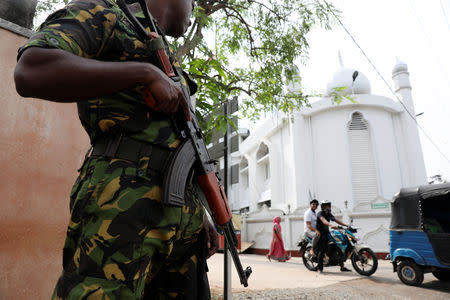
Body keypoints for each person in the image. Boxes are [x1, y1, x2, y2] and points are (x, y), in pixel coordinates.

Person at [14, 0, 218, 299]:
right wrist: (143, 74)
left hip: (179, 218)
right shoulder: (107, 14)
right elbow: (31, 69)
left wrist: (198, 210)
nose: (194, 11)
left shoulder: (163, 50)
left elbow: (175, 141)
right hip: (123, 207)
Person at [316, 201, 351, 273]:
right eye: (326, 206)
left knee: (339, 247)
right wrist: (330, 225)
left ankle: (342, 267)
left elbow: (336, 220)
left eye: (328, 206)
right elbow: (324, 220)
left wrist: (346, 225)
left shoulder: (329, 214)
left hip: (327, 233)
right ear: (322, 207)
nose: (327, 207)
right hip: (321, 234)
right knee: (322, 251)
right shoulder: (320, 213)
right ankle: (320, 268)